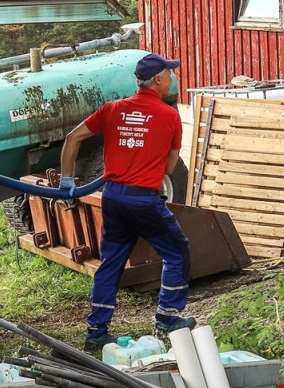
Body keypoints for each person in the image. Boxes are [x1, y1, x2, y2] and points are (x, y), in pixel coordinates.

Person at [58, 52, 194, 351]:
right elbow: (169, 170)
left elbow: (72, 138)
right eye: (169, 75)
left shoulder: (112, 109)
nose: (172, 78)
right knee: (177, 252)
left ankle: (96, 332)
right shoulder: (170, 116)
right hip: (144, 200)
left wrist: (67, 181)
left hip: (114, 198)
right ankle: (168, 318)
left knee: (111, 263)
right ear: (158, 80)